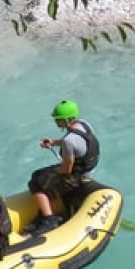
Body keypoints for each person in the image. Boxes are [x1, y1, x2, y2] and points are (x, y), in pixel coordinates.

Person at [27, 99, 100, 234]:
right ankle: (50, 201)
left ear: (67, 120)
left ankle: (48, 219)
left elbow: (66, 169)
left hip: (78, 176)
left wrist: (51, 172)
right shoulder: (84, 124)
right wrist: (54, 142)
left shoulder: (68, 141)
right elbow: (78, 143)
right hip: (88, 168)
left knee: (35, 181)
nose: (56, 122)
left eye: (58, 119)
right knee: (41, 174)